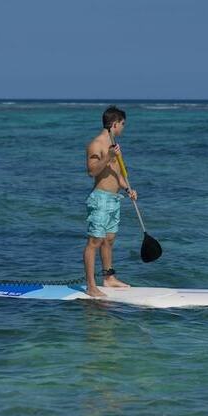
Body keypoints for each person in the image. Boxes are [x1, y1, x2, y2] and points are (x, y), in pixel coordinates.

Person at [83, 105, 138, 298]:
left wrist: (128, 189)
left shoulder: (115, 146)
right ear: (114, 124)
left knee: (109, 240)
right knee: (95, 241)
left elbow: (117, 173)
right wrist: (108, 156)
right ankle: (91, 286)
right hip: (100, 199)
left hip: (115, 199)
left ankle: (108, 278)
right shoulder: (96, 144)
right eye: (122, 124)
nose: (123, 128)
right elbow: (92, 171)